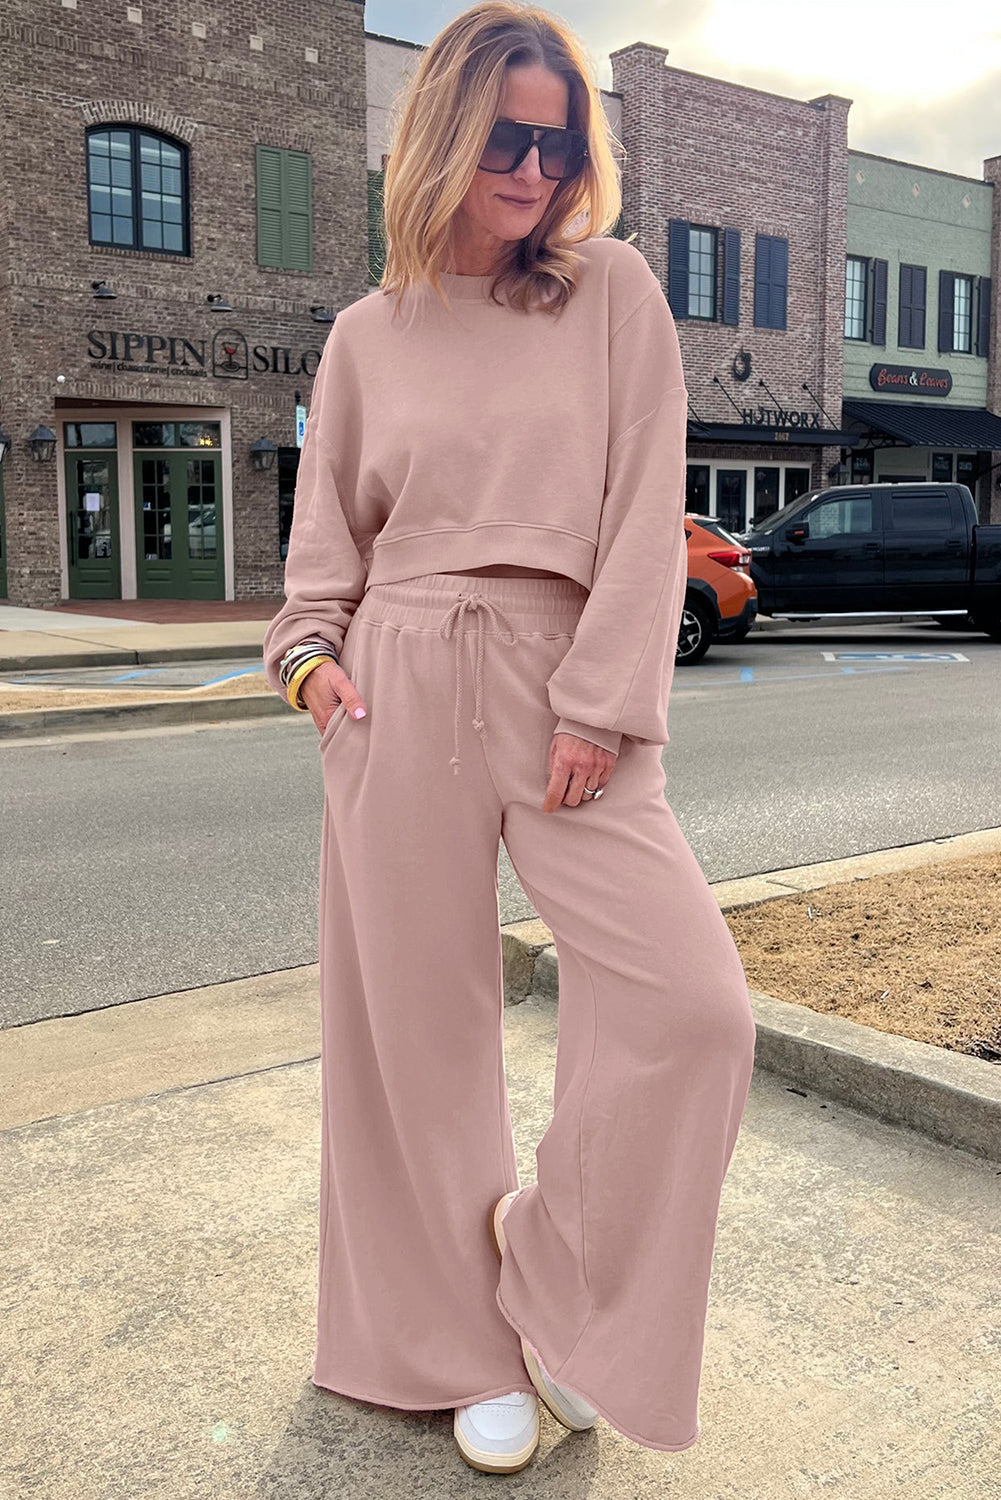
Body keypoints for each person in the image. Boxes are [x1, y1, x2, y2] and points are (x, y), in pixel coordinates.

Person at [262, 0, 757, 1477]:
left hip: (566, 684)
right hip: (395, 683)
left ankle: (550, 1275)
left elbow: (638, 503)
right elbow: (317, 563)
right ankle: (452, 1345)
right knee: (412, 1036)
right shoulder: (365, 333)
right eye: (507, 137)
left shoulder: (607, 295)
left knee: (689, 1010)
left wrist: (604, 699)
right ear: (443, 136)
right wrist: (313, 676)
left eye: (557, 139)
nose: (535, 167)